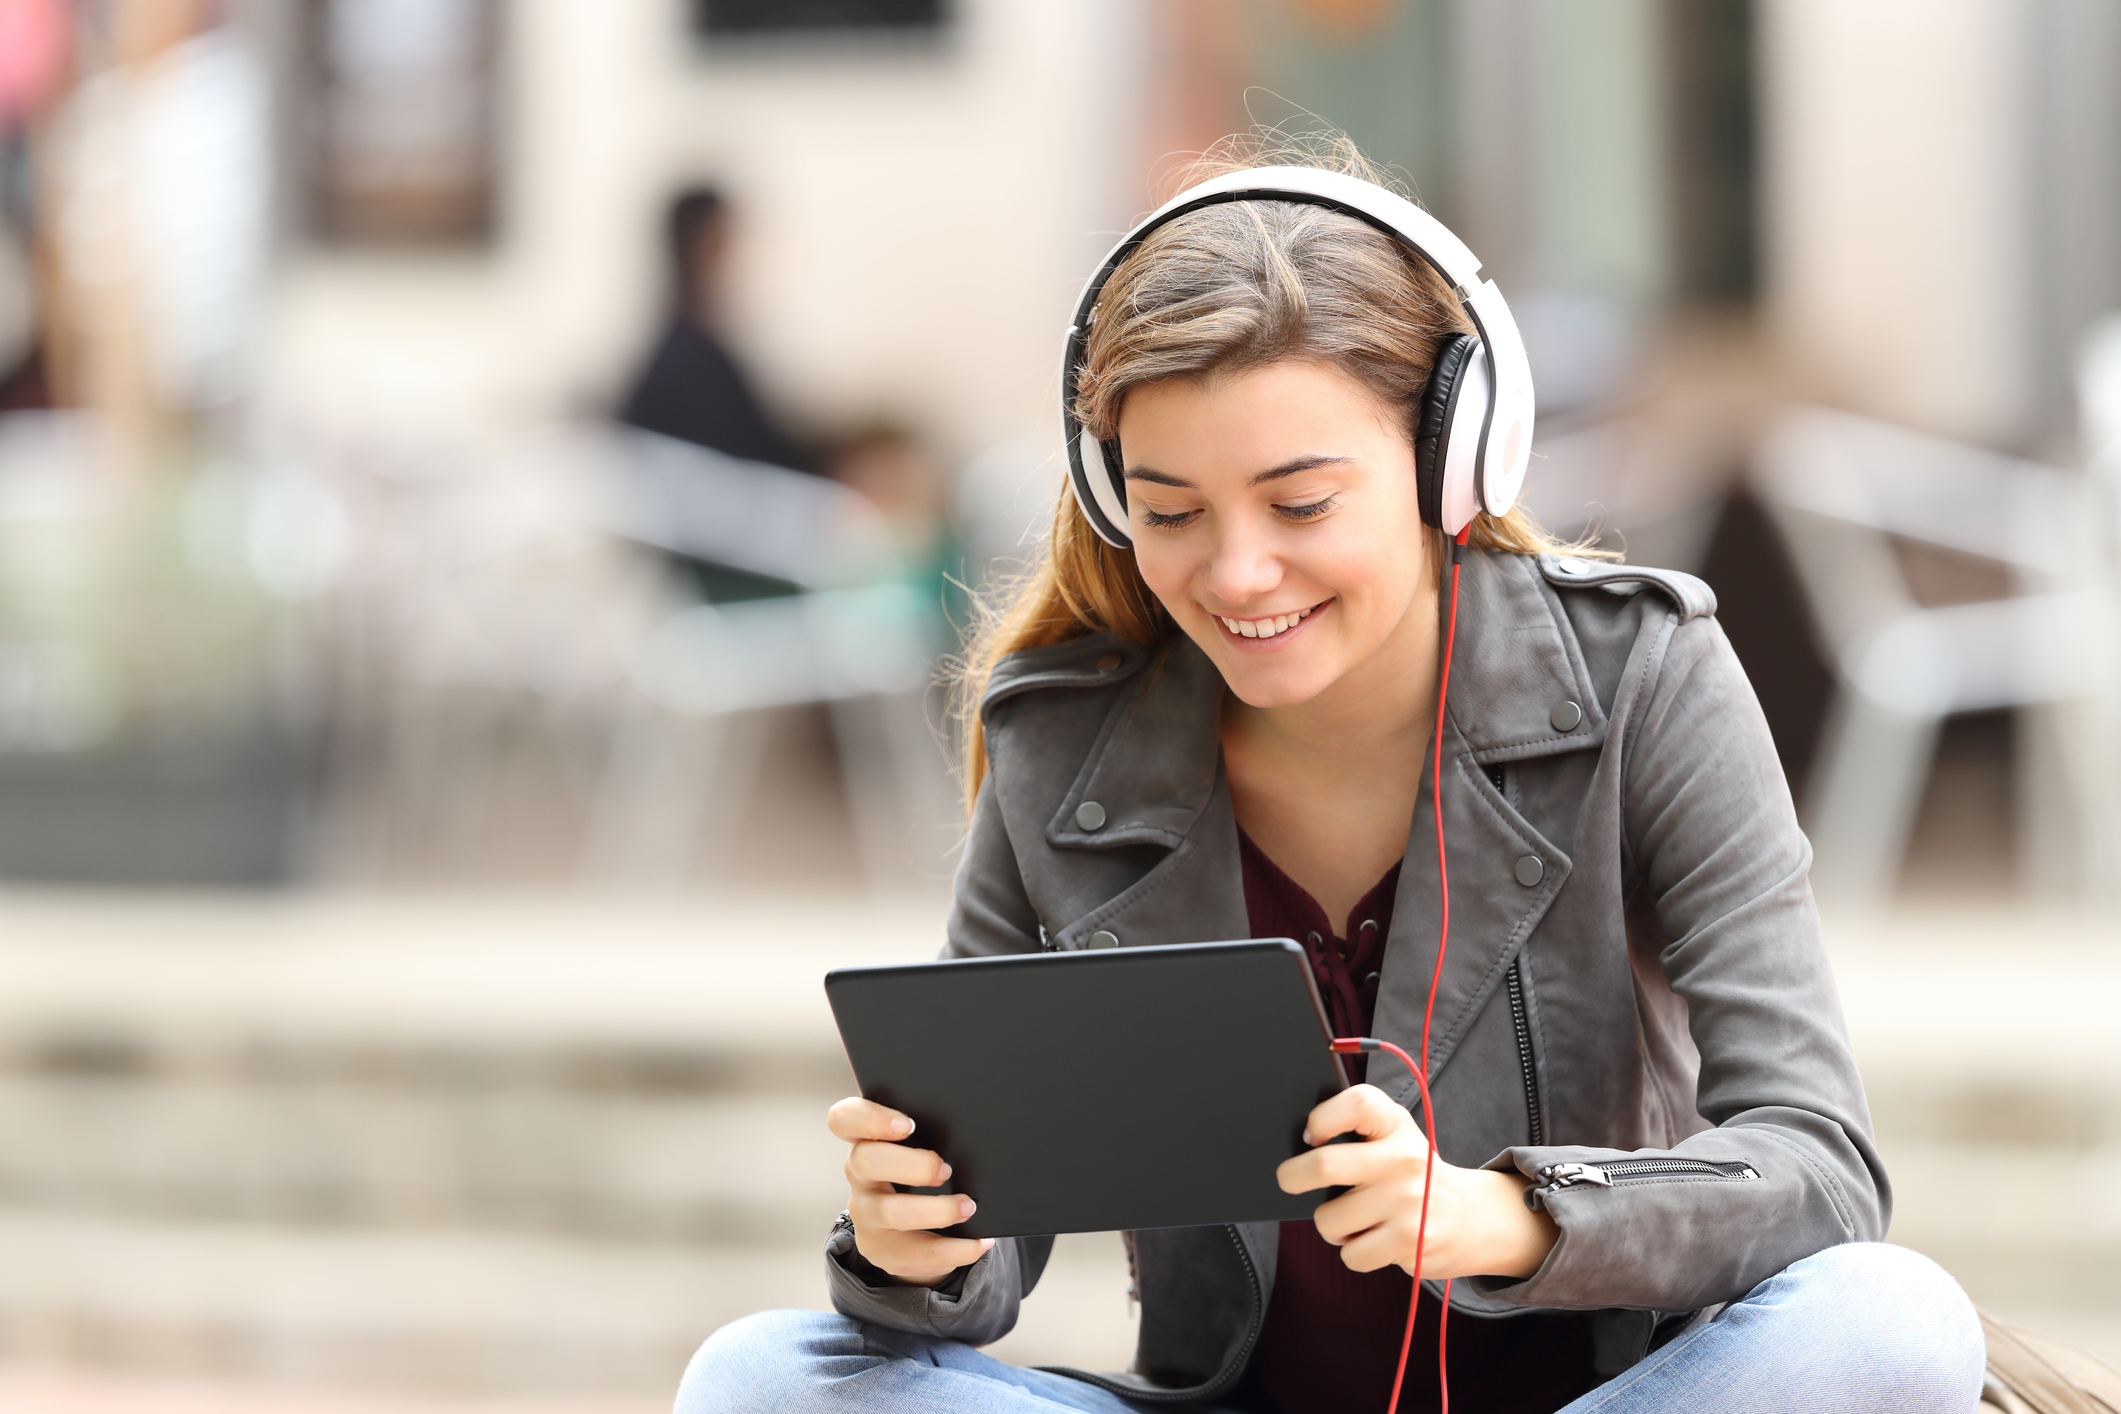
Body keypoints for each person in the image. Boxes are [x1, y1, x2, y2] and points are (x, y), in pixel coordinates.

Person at [675, 139, 1986, 1413]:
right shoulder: (1062, 742)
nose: (1236, 573)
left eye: (1300, 504)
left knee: (1892, 1318)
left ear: (1450, 462)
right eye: (1171, 512)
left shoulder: (1644, 675)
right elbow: (988, 1252)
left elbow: (1818, 1164)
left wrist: (1504, 1213)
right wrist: (915, 1245)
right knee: (756, 1379)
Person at [621, 185, 814, 475]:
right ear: (701, 247)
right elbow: (753, 453)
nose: (734, 256)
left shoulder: (696, 348)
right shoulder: (688, 361)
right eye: (724, 241)